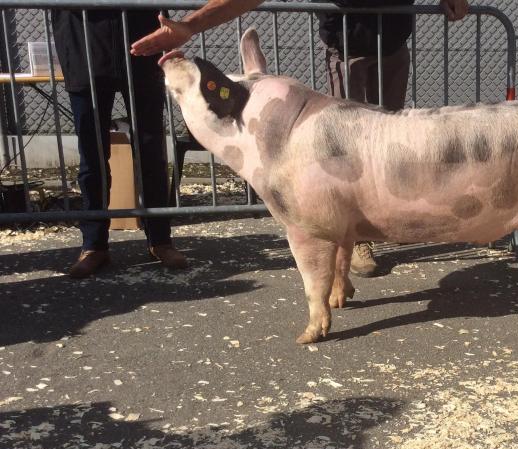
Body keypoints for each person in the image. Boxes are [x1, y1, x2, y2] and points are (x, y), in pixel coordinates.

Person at [131, 0, 469, 277]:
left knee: (389, 146)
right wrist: (191, 25)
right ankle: (355, 239)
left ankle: (382, 222)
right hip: (348, 51)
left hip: (394, 47)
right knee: (347, 154)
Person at [54, 9, 187, 278]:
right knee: (92, 156)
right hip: (84, 49)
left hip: (140, 44)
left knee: (151, 152)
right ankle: (93, 245)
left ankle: (160, 240)